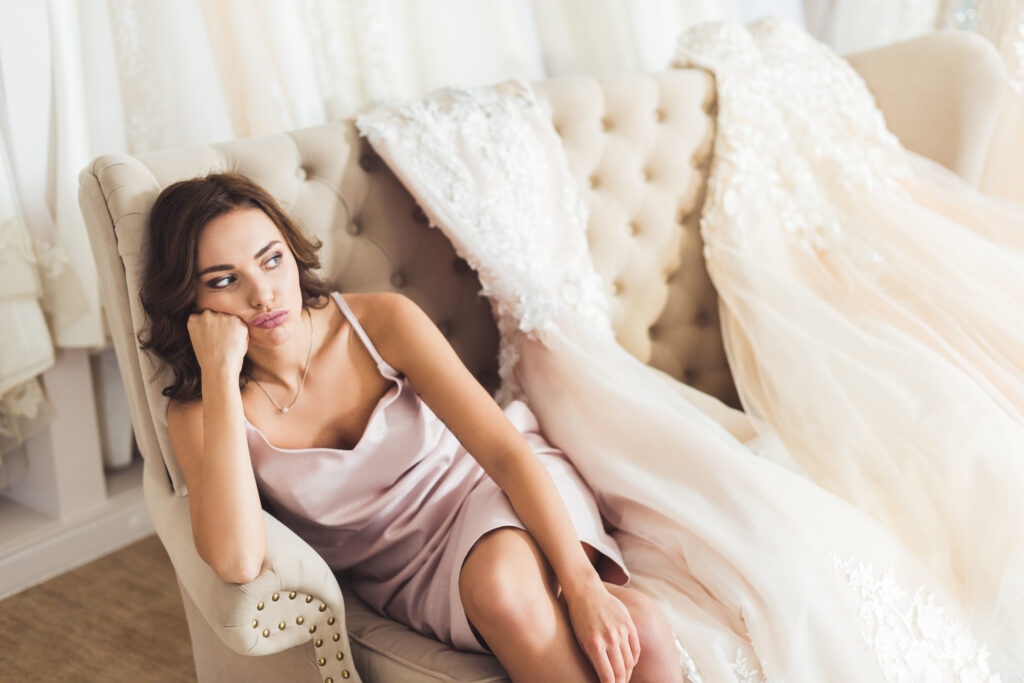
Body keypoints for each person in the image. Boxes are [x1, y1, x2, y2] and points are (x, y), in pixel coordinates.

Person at [138, 172, 686, 683]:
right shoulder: (200, 412)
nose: (262, 294)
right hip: (410, 577)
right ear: (192, 300)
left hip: (491, 489)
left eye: (272, 260)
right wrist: (218, 374)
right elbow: (235, 561)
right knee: (639, 628)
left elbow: (503, 453)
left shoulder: (380, 322)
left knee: (505, 589)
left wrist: (585, 585)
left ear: (291, 251)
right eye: (225, 280)